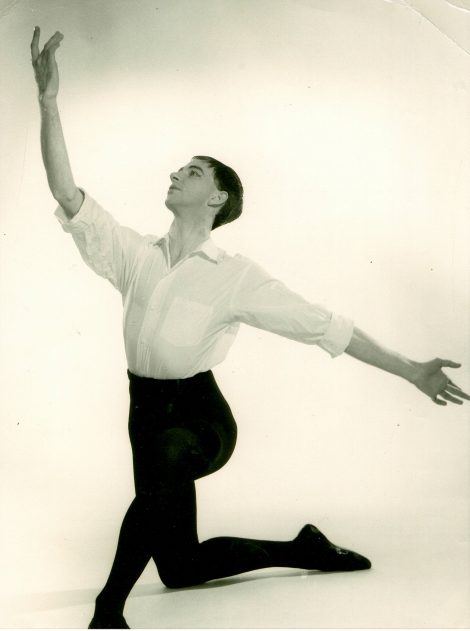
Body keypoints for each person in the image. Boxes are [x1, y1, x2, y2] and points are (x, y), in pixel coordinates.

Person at [31, 28, 469, 630]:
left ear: (217, 198)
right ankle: (303, 549)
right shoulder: (134, 255)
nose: (177, 174)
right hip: (145, 410)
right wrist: (49, 103)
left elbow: (326, 327)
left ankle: (108, 610)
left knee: (164, 461)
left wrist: (411, 369)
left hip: (200, 418)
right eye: (180, 168)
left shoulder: (235, 278)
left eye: (193, 171)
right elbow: (67, 194)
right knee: (180, 566)